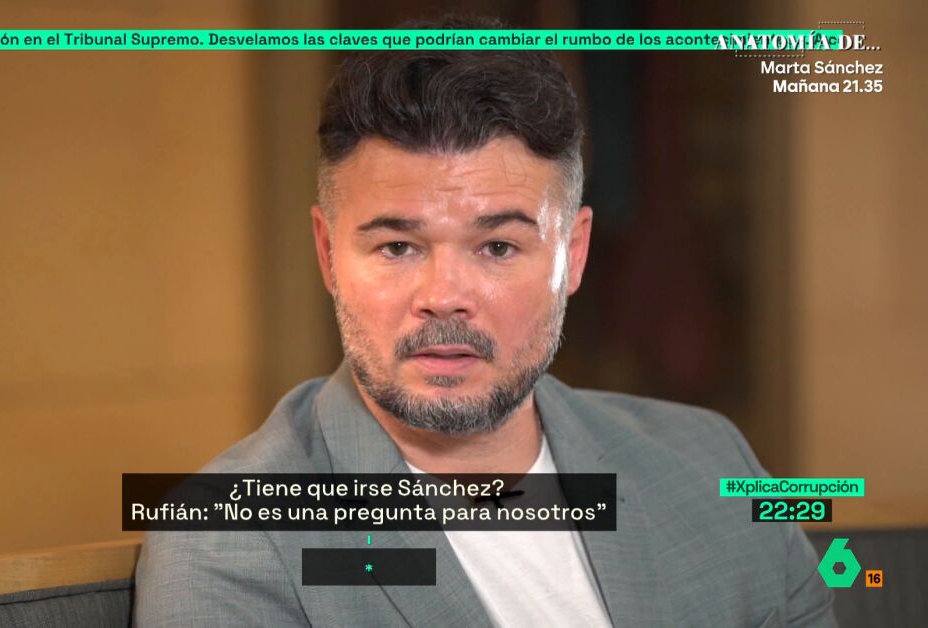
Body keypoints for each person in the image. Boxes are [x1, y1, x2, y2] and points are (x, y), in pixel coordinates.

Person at [135, 17, 836, 627]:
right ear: (326, 254)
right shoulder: (228, 544)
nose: (444, 297)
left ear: (574, 254)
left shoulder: (712, 462)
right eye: (397, 247)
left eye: (497, 247)